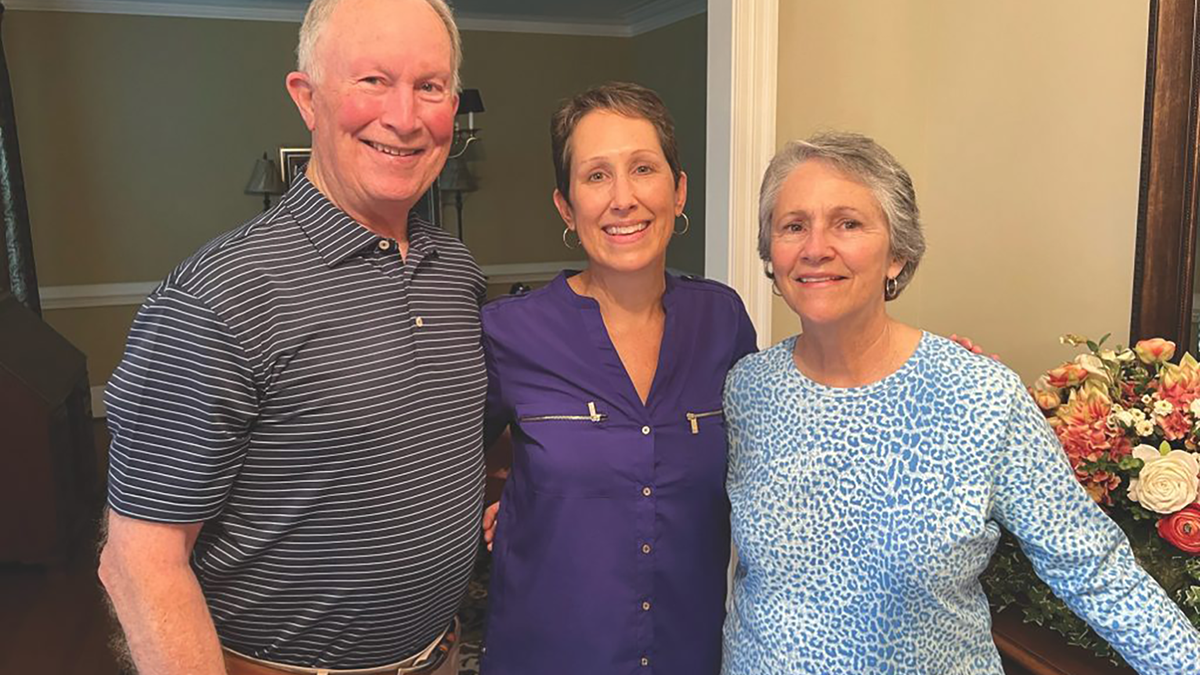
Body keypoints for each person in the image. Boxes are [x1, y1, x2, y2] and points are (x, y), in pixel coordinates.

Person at [720, 131, 1200, 674]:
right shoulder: (748, 390)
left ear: (897, 254)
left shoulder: (980, 396)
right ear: (772, 254)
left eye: (848, 223)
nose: (815, 247)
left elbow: (1092, 565)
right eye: (793, 226)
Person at [97, 1, 482, 673]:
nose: (405, 116)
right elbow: (138, 561)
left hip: (443, 656)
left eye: (431, 86)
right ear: (307, 98)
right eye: (372, 81)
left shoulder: (455, 270)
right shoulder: (215, 297)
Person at [477, 82, 757, 675]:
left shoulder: (722, 320)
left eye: (643, 168)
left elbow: (781, 431)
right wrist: (515, 495)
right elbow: (438, 463)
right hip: (548, 654)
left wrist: (914, 373)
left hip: (689, 652)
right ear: (565, 205)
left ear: (678, 191)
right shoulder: (509, 333)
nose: (623, 198)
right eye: (597, 176)